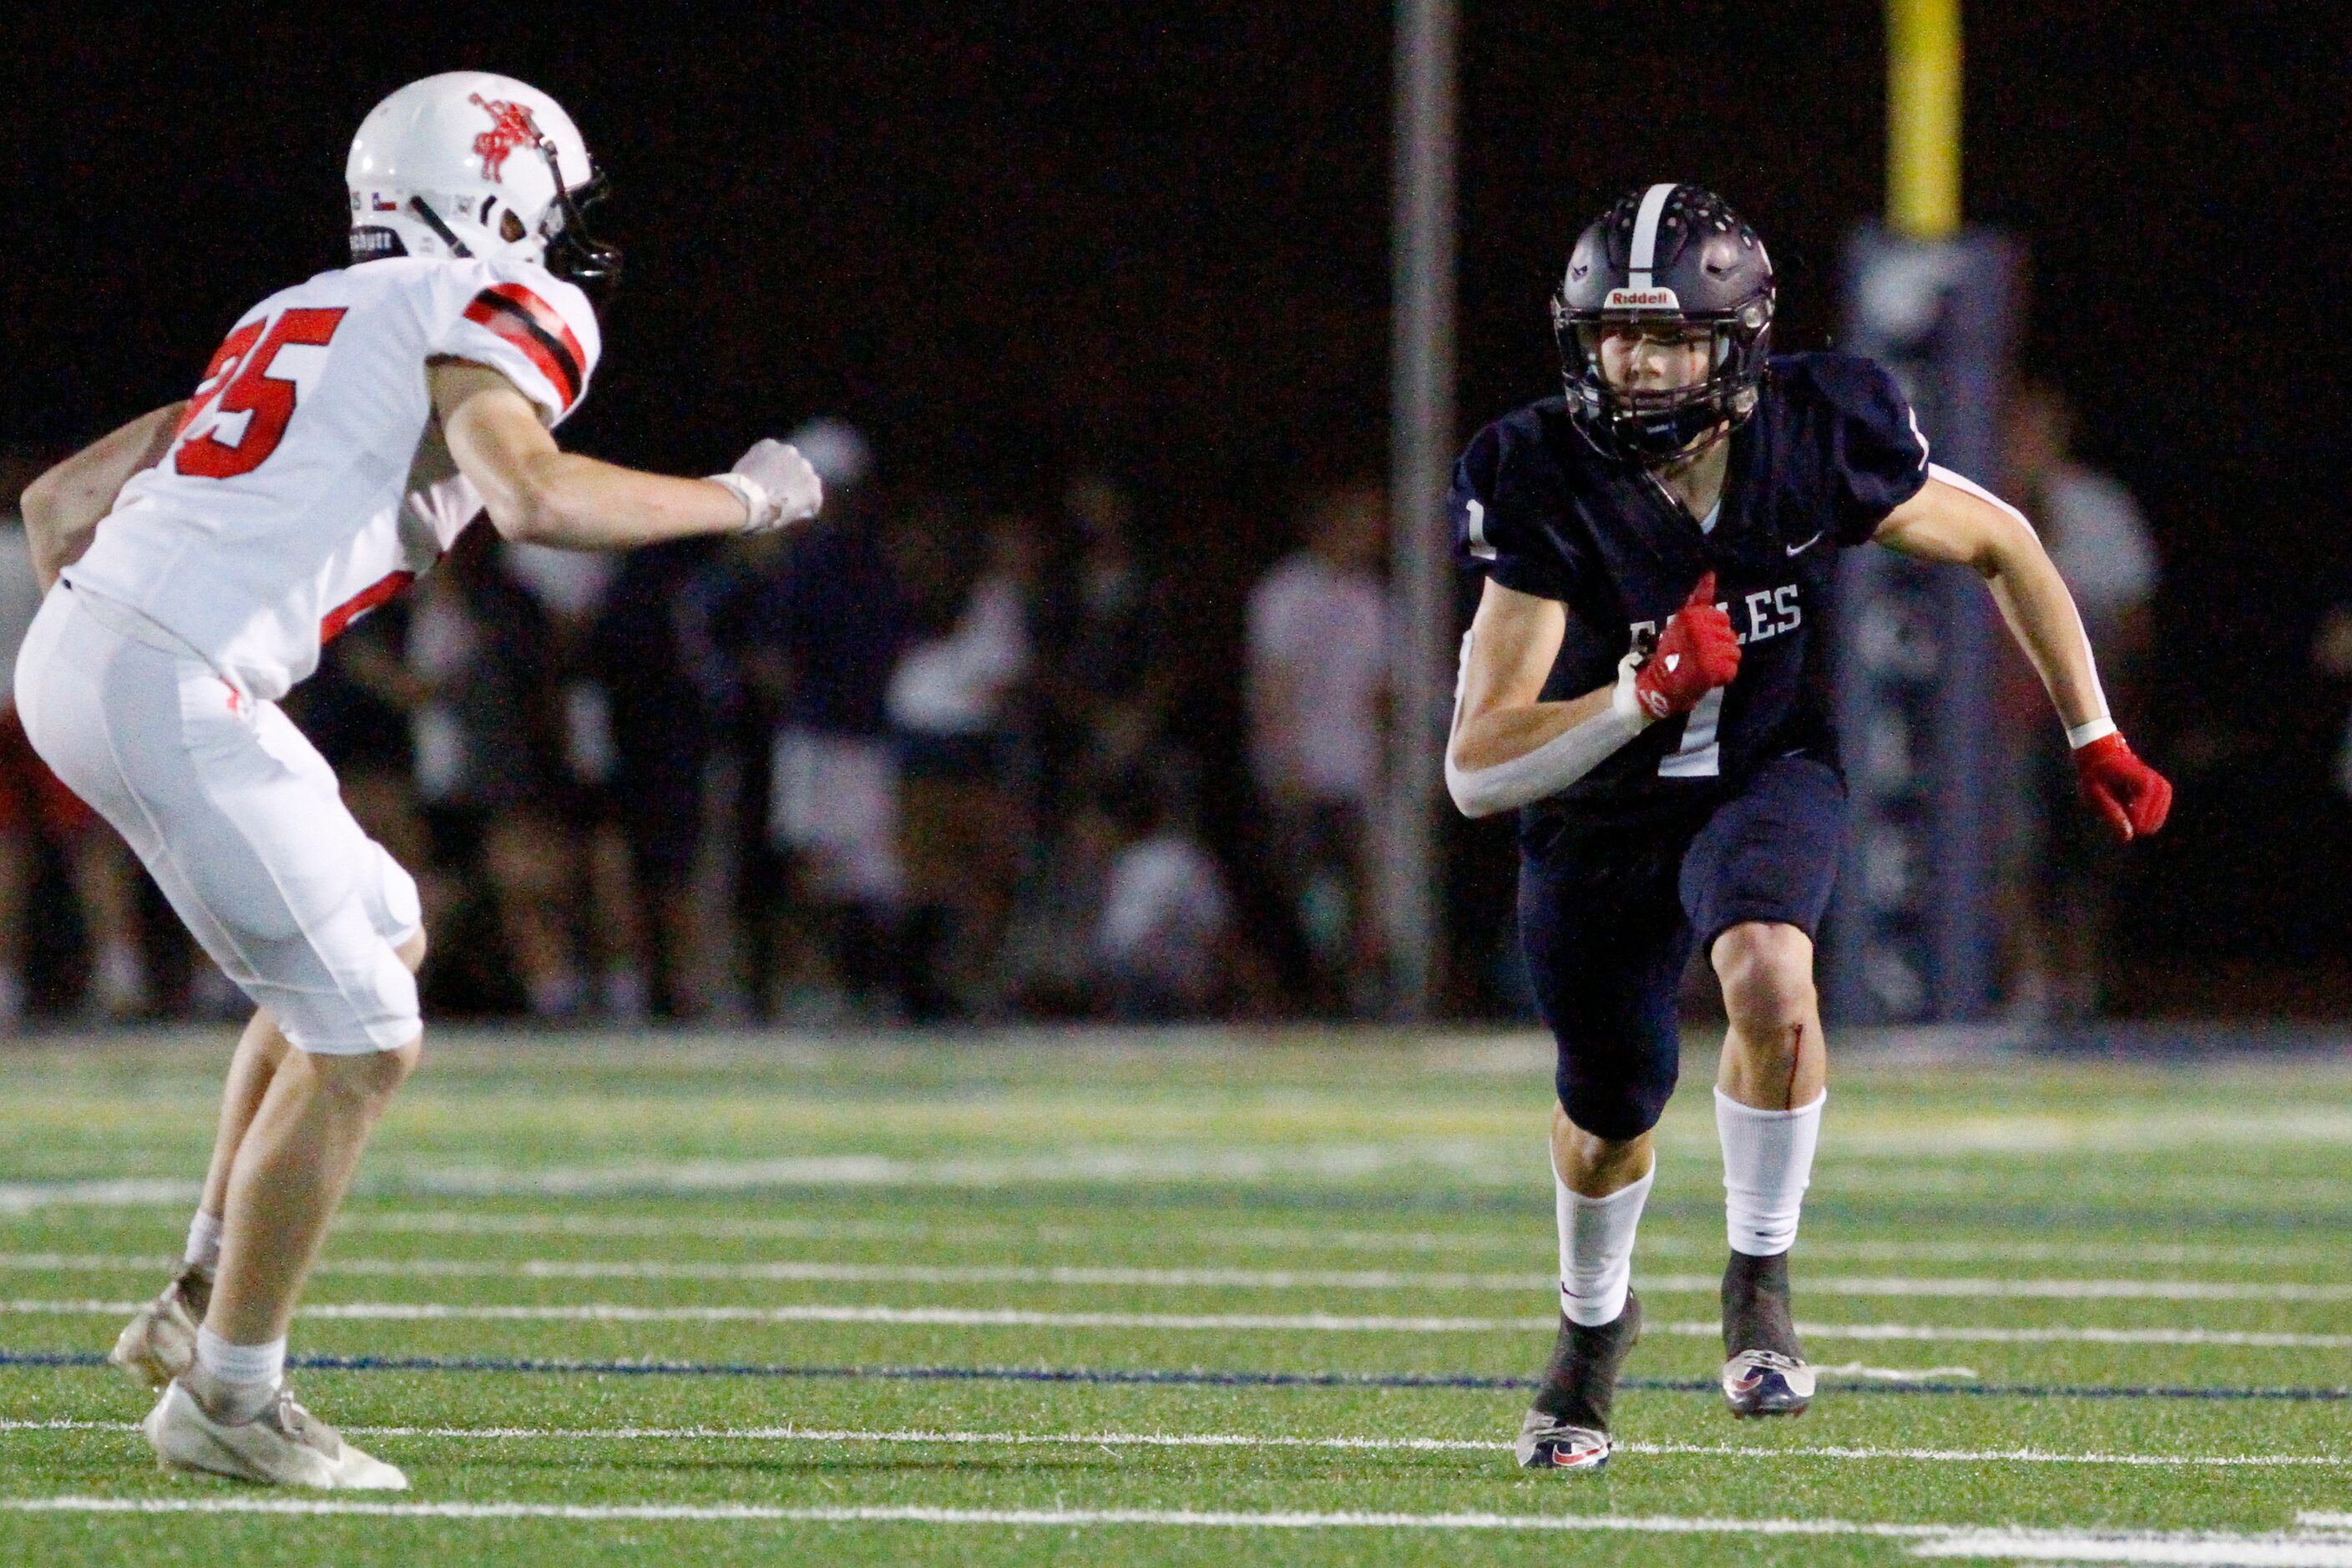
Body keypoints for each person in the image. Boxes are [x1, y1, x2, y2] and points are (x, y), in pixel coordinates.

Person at [14, 72, 822, 1488]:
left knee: (372, 934)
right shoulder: (491, 309)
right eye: (551, 209)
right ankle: (231, 1398)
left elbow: (57, 502)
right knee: (369, 1035)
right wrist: (745, 498)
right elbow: (538, 497)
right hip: (163, 670)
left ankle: (207, 1287)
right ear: (497, 200)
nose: (565, 243)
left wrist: (124, 637)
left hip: (95, 652)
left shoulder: (295, 310)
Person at [1442, 185, 2172, 1473]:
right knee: (1610, 1110)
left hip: (1765, 772)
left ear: (1739, 343)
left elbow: (2001, 539)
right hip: (1600, 815)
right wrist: (1637, 692)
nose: (1641, 364)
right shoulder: (1540, 474)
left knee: (1773, 972)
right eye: (1618, 336)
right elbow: (1474, 765)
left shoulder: (1816, 430)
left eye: (1671, 339)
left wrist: (2090, 732)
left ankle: (1759, 1274)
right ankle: (1589, 1332)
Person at [1244, 481, 1391, 1013]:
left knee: (1355, 890)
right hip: (1301, 768)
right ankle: (1295, 993)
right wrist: (1284, 761)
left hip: (1352, 769)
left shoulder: (1370, 598)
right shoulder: (1286, 593)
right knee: (1300, 888)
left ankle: (1348, 996)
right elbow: (1273, 685)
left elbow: (1379, 692)